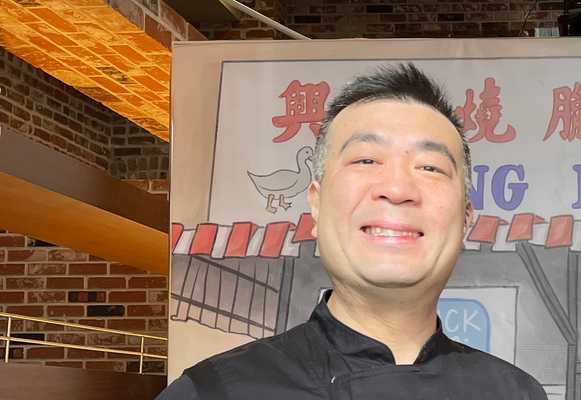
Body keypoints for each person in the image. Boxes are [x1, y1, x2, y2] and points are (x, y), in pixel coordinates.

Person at [158, 63, 547, 400]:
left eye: (430, 167)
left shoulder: (517, 393)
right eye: (366, 159)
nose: (396, 189)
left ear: (466, 219)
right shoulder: (213, 392)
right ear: (316, 202)